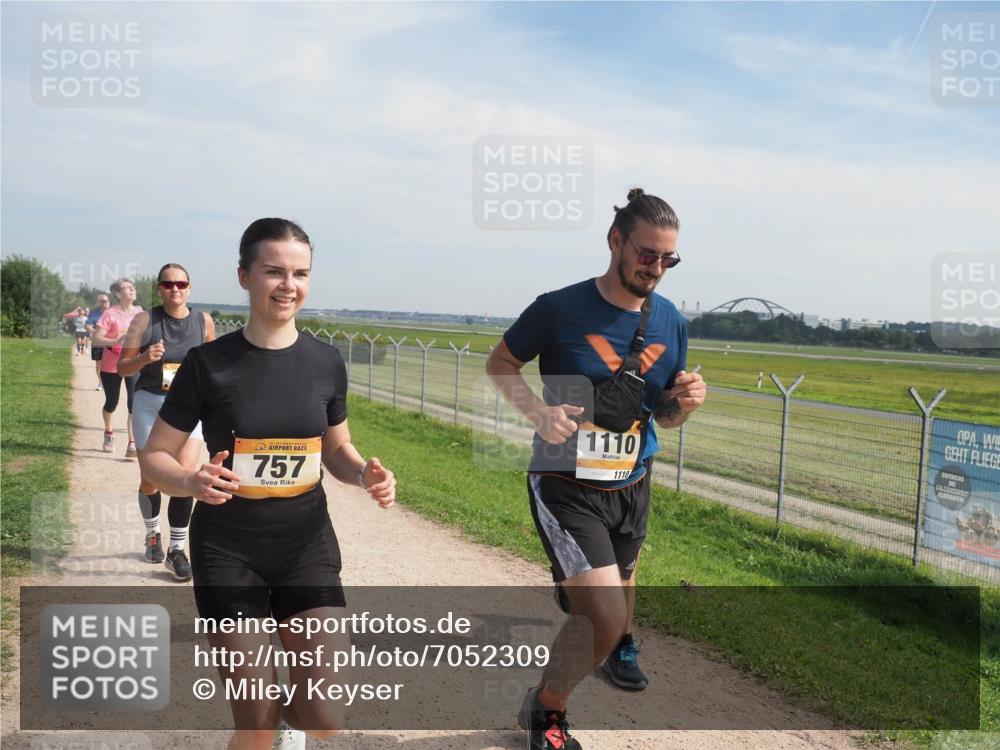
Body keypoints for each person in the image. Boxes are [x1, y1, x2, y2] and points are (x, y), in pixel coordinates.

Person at [139, 218, 396, 750]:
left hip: (306, 544)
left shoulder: (325, 361)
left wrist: (363, 473)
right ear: (244, 277)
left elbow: (336, 450)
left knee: (324, 719)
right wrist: (190, 479)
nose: (288, 284)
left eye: (300, 273)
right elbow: (154, 457)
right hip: (229, 550)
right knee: (253, 728)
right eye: (274, 271)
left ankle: (283, 727)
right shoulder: (209, 365)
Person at [485, 188, 706, 750]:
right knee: (604, 619)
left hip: (632, 480)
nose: (656, 268)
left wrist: (686, 401)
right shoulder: (560, 308)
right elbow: (501, 363)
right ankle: (546, 712)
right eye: (646, 254)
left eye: (667, 259)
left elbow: (664, 412)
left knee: (620, 600)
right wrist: (537, 410)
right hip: (565, 481)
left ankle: (602, 628)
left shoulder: (670, 321)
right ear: (615, 242)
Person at [117, 264, 215, 580]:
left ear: (189, 287)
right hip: (151, 405)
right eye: (168, 284)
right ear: (159, 288)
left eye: (181, 283)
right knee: (151, 479)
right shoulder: (145, 320)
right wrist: (145, 358)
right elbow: (122, 368)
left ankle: (176, 550)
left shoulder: (203, 322)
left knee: (184, 478)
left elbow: (214, 370)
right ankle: (152, 534)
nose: (175, 289)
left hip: (188, 408)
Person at [92, 279, 143, 456]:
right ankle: (109, 433)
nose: (132, 290)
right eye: (127, 288)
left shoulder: (140, 312)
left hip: (133, 363)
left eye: (133, 287)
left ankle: (132, 443)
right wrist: (115, 340)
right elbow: (97, 338)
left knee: (134, 403)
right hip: (111, 364)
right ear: (117, 294)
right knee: (111, 402)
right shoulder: (110, 314)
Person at [86, 295, 111, 390]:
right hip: (98, 343)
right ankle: (101, 383)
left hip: (110, 342)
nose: (106, 302)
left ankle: (110, 382)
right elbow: (87, 325)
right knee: (99, 364)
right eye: (104, 301)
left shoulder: (114, 313)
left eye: (108, 300)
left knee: (112, 363)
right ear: (100, 303)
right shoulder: (95, 314)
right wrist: (95, 332)